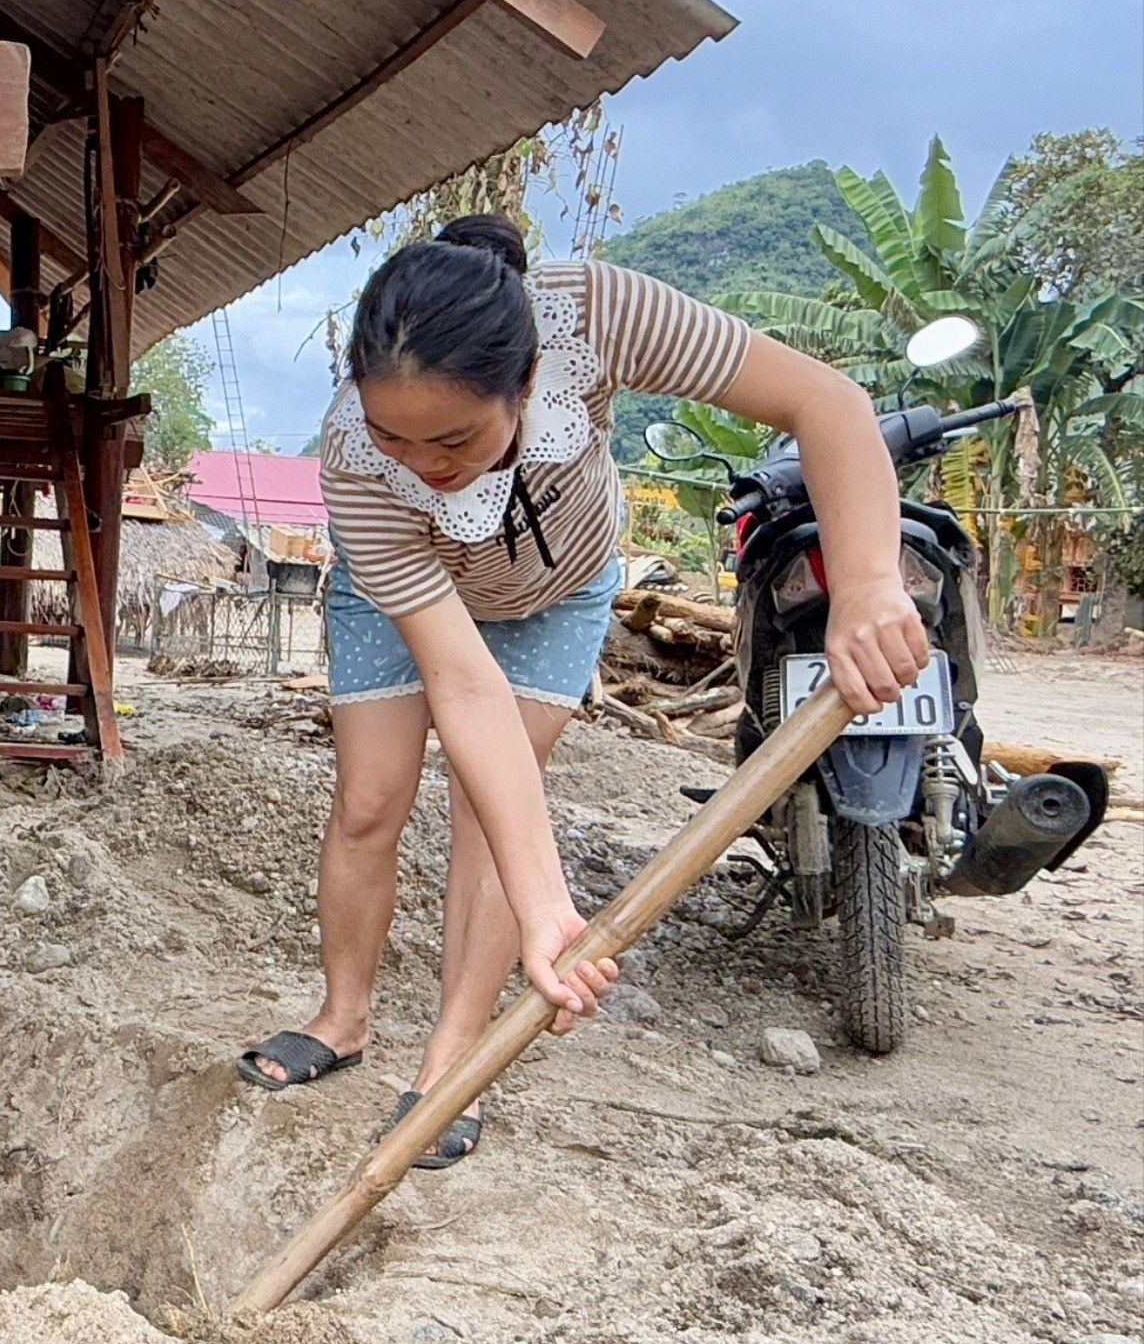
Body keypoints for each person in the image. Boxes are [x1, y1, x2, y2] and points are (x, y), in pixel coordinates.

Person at [236, 215, 930, 1168]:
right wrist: (548, 903)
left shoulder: (597, 314)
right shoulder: (358, 462)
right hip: (409, 591)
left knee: (493, 806)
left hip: (554, 586)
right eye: (395, 434)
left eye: (454, 437)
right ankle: (342, 1017)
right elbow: (461, 684)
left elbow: (825, 401)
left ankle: (452, 1061)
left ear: (525, 382)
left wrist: (868, 583)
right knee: (367, 798)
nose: (424, 464)